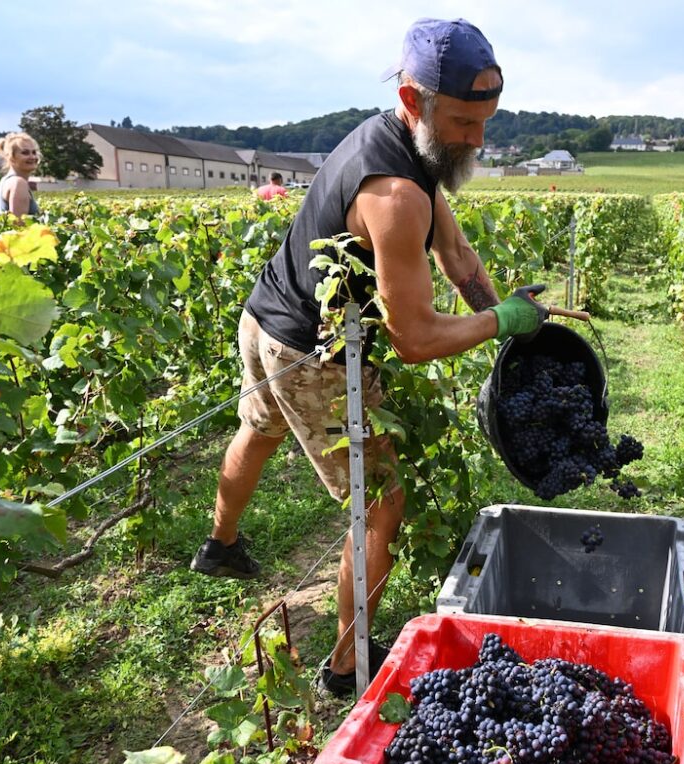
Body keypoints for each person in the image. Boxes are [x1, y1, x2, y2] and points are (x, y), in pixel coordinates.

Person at [189, 17, 548, 696]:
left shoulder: (402, 146)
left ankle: (221, 544)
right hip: (313, 354)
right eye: (463, 122)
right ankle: (346, 667)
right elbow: (413, 340)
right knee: (382, 503)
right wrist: (498, 320)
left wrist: (507, 325)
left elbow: (459, 257)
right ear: (414, 100)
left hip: (264, 316)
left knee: (258, 431)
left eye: (486, 121)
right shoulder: (396, 195)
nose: (477, 139)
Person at [0, 132, 41, 217]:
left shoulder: (6, 181)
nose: (33, 157)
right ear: (11, 157)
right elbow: (19, 226)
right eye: (25, 153)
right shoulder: (18, 183)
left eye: (34, 152)